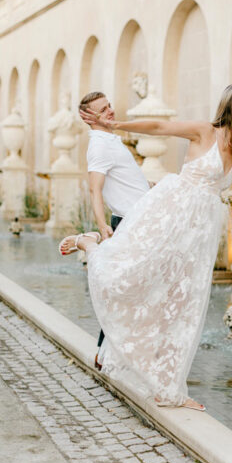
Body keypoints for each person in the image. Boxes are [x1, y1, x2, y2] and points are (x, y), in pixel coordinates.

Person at [61, 84, 232, 411]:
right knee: (128, 275)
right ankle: (90, 244)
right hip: (171, 214)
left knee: (184, 304)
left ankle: (166, 388)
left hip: (197, 236)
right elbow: (159, 128)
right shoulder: (204, 132)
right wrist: (117, 125)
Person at [74, 91, 151, 370]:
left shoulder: (110, 139)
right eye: (103, 110)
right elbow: (94, 187)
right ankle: (104, 354)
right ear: (89, 117)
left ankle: (113, 352)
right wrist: (102, 225)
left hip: (141, 221)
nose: (110, 111)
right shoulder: (99, 146)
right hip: (128, 225)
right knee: (126, 291)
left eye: (109, 106)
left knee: (132, 290)